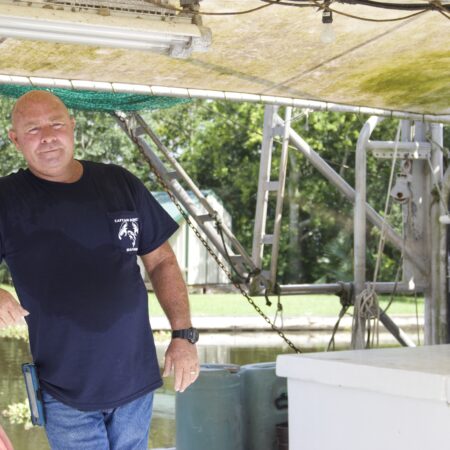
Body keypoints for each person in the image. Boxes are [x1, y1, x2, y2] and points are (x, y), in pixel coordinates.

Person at [0, 90, 199, 449]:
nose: (47, 136)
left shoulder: (119, 183)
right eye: (32, 129)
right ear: (14, 139)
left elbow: (162, 260)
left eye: (56, 124)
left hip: (135, 383)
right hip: (65, 391)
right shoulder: (6, 199)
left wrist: (183, 336)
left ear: (72, 127)